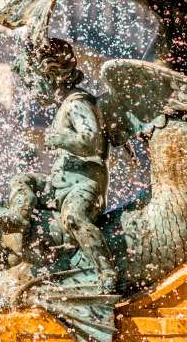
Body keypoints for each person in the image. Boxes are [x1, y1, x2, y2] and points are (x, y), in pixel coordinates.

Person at [17, 39, 118, 292]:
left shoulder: (77, 103)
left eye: (32, 81)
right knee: (24, 180)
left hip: (84, 186)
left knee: (74, 218)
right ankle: (19, 216)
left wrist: (61, 138)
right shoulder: (64, 105)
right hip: (60, 185)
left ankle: (106, 272)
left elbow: (91, 140)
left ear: (50, 75)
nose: (30, 89)